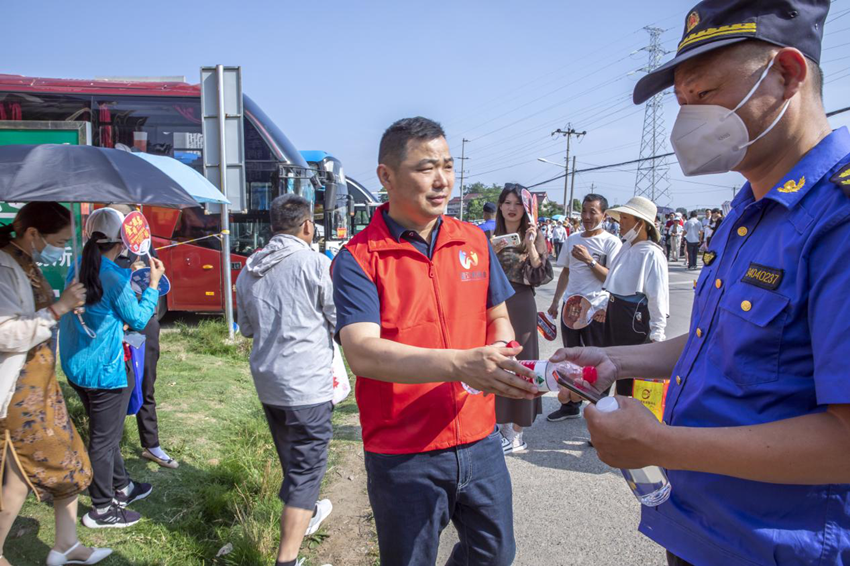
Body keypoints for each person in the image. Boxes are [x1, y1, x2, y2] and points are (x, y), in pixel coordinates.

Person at [564, 2, 850, 565]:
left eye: (704, 94)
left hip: (778, 547)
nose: (687, 122)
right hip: (701, 529)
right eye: (681, 102)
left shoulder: (836, 219)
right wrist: (617, 360)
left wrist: (660, 444)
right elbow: (713, 343)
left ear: (788, 74)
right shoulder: (748, 209)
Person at [332, 116, 537, 566]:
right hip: (404, 452)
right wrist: (461, 364)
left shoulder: (473, 241)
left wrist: (501, 356)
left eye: (447, 165)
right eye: (426, 168)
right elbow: (363, 353)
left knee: (495, 554)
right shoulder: (358, 259)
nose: (442, 179)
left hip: (480, 439)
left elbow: (498, 317)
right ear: (386, 176)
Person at [0, 203, 112, 565]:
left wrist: (63, 306)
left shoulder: (25, 261)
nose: (63, 248)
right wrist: (57, 309)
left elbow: (37, 314)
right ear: (33, 234)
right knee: (18, 479)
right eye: (59, 240)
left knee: (71, 461)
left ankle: (67, 544)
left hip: (43, 384)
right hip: (18, 392)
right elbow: (5, 333)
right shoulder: (3, 267)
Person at [236, 194, 335, 566]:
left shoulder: (250, 268)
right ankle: (287, 559)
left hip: (268, 380)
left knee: (295, 464)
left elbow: (246, 327)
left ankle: (306, 513)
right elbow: (339, 317)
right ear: (307, 225)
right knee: (307, 471)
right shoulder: (314, 263)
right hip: (306, 381)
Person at [59, 207, 163, 529]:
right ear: (123, 243)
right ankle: (102, 508)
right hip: (105, 371)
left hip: (77, 366)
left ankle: (124, 487)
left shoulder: (78, 267)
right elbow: (138, 319)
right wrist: (153, 285)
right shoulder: (113, 277)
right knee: (103, 441)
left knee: (106, 433)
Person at [109, 205, 177, 469]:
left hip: (144, 325)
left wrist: (147, 276)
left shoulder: (145, 248)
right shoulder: (102, 255)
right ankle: (109, 449)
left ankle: (151, 444)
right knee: (117, 390)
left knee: (146, 384)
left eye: (129, 221)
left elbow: (159, 283)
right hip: (115, 328)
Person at [546, 194, 621, 421]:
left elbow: (613, 279)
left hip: (598, 309)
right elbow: (566, 272)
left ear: (604, 215)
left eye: (593, 212)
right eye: (584, 211)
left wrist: (590, 260)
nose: (587, 217)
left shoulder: (611, 242)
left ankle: (601, 411)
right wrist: (556, 301)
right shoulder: (572, 239)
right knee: (571, 359)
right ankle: (570, 407)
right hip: (572, 308)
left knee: (599, 360)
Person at [491, 183, 551, 452]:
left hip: (522, 301)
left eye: (517, 203)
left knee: (523, 362)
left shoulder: (534, 236)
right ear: (500, 206)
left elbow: (541, 275)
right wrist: (489, 252)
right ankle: (500, 426)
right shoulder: (489, 236)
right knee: (498, 361)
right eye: (507, 202)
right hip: (493, 304)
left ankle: (517, 433)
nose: (512, 208)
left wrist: (531, 245)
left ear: (524, 208)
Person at [596, 196, 668, 397]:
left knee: (629, 372)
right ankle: (608, 409)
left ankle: (625, 417)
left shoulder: (652, 254)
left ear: (640, 223)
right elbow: (613, 282)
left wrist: (657, 333)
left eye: (626, 218)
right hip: (615, 312)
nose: (621, 222)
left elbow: (657, 296)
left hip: (634, 318)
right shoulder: (626, 246)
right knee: (611, 364)